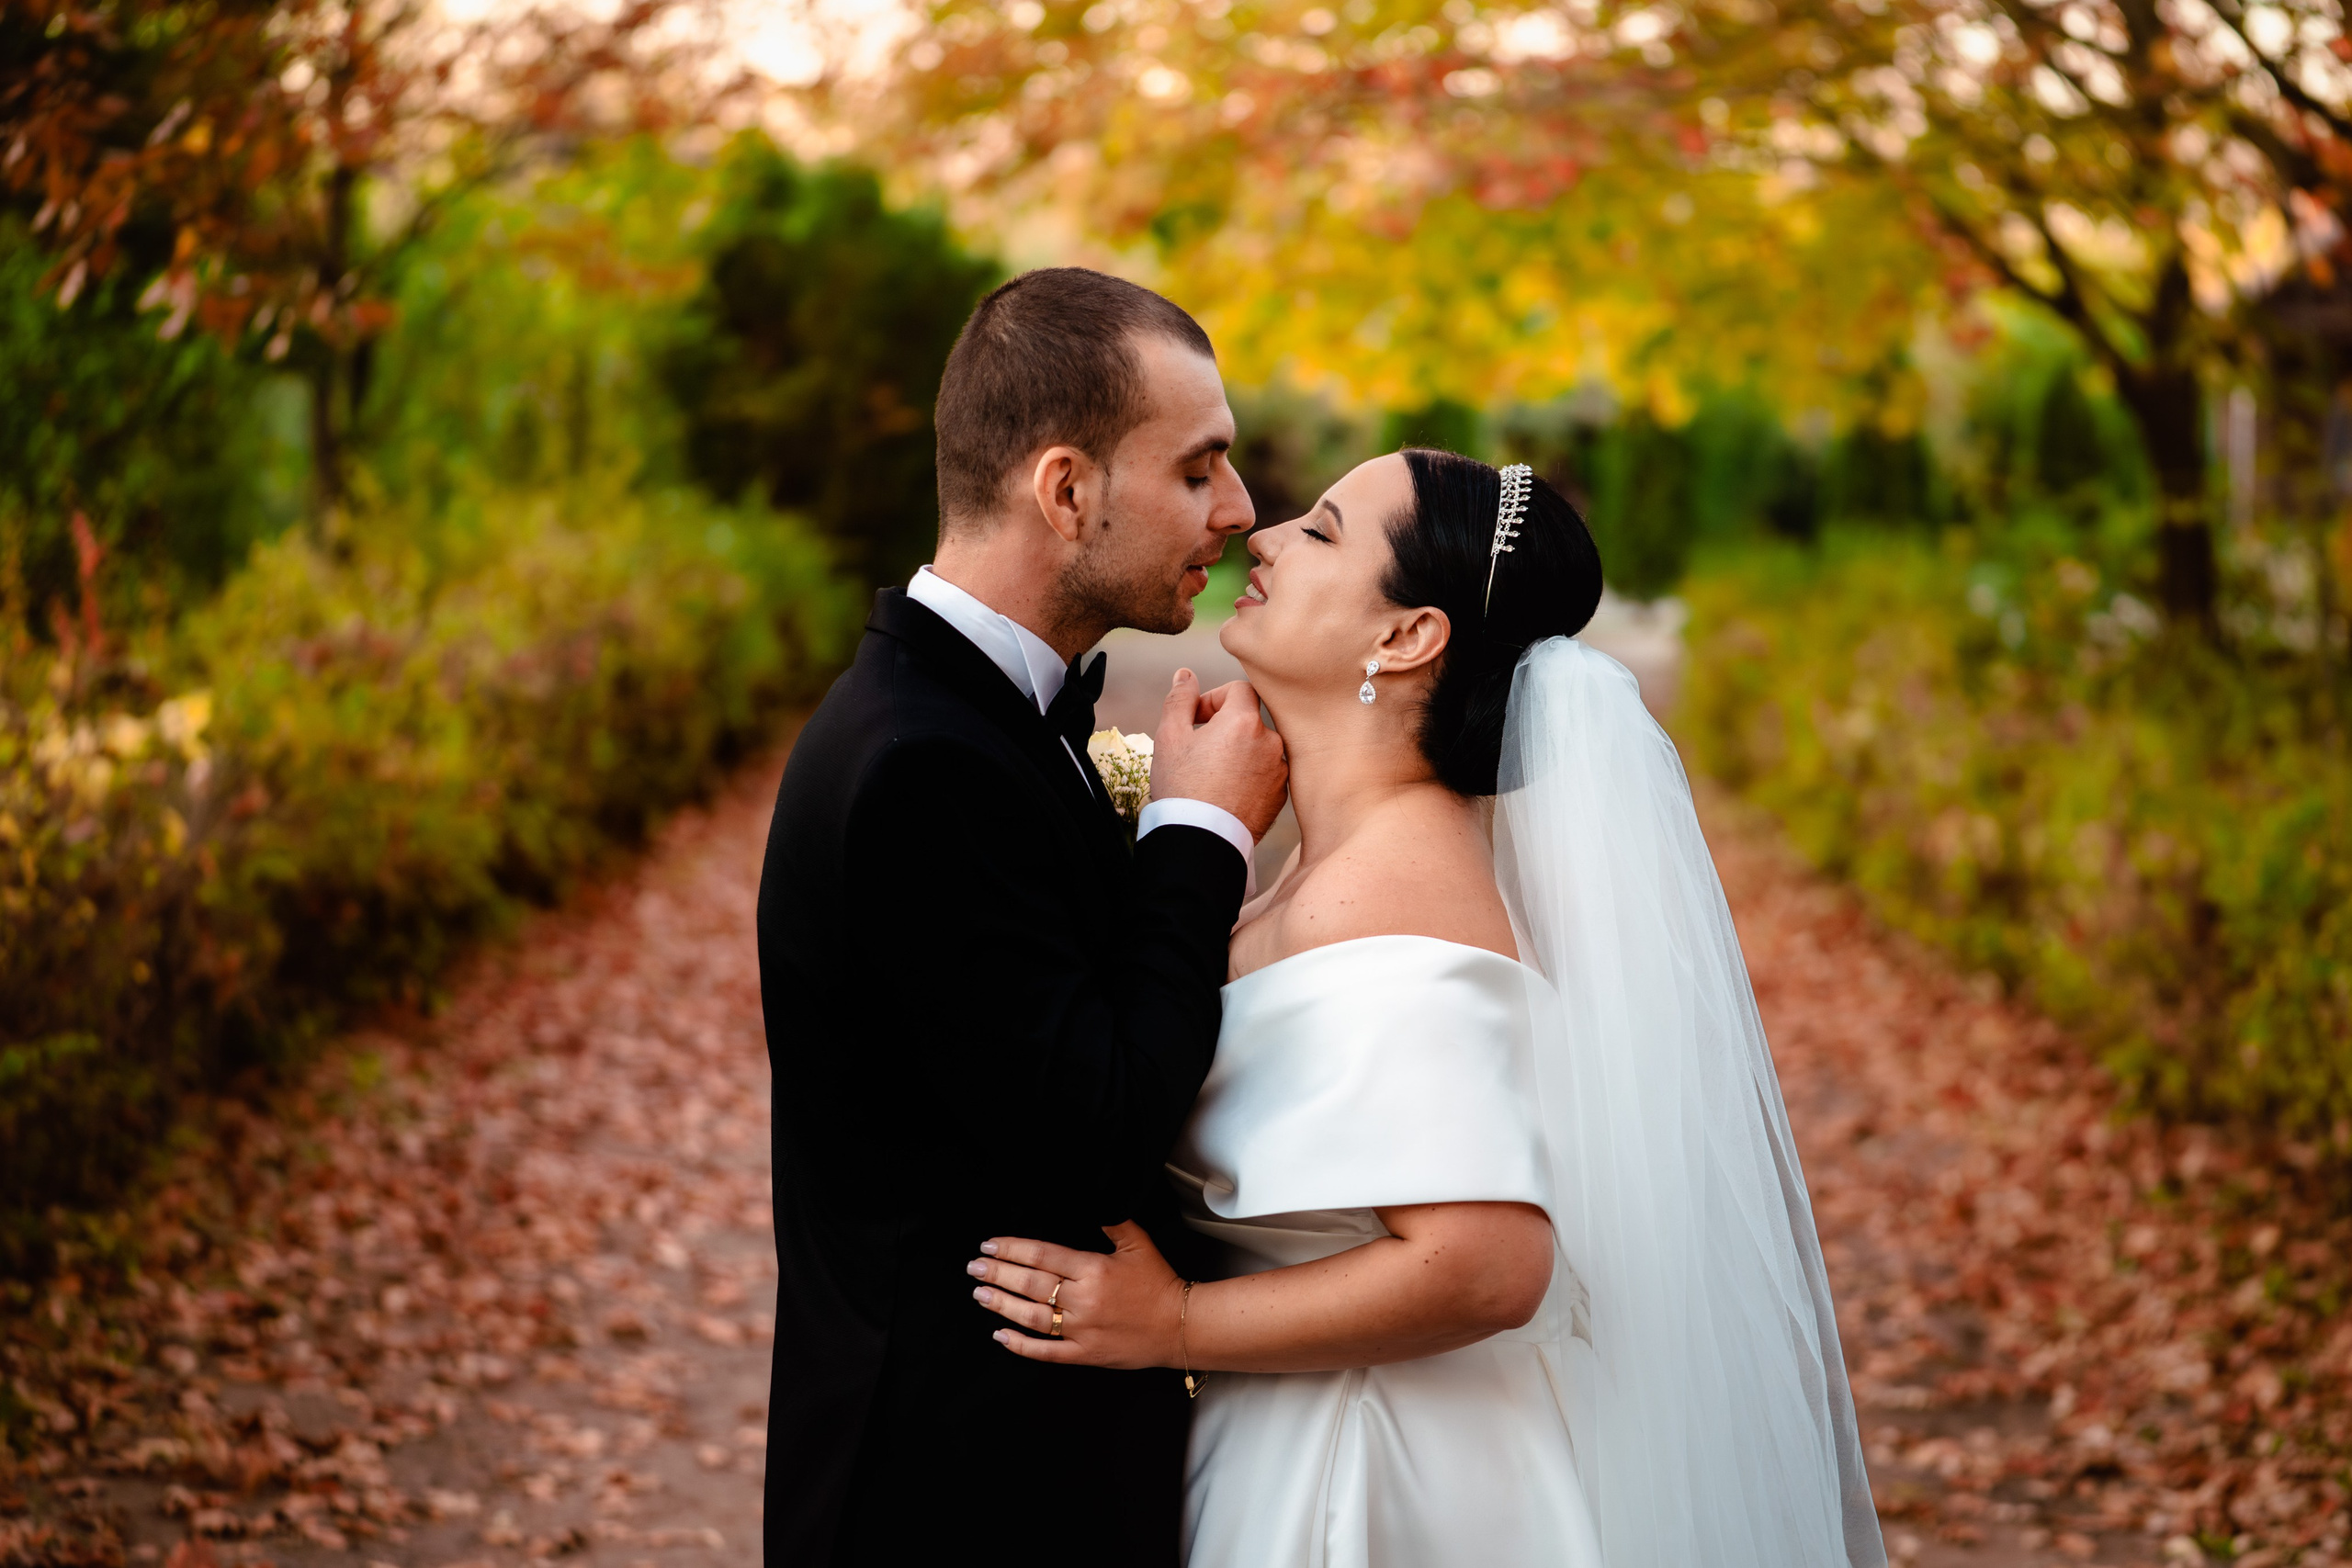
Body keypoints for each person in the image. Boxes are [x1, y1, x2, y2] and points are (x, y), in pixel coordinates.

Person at [965, 449, 1890, 1567]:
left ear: (1408, 636)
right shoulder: (1333, 869)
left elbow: (1487, 1263)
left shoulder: (1392, 891)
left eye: (1321, 533)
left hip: (1375, 1473)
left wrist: (1175, 1326)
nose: (1264, 534)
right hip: (1306, 1423)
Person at [755, 268, 1288, 1563]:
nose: (1240, 506)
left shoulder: (970, 719)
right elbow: (1101, 1122)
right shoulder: (921, 763)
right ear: (1067, 490)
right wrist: (1199, 834)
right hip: (952, 1487)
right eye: (1200, 467)